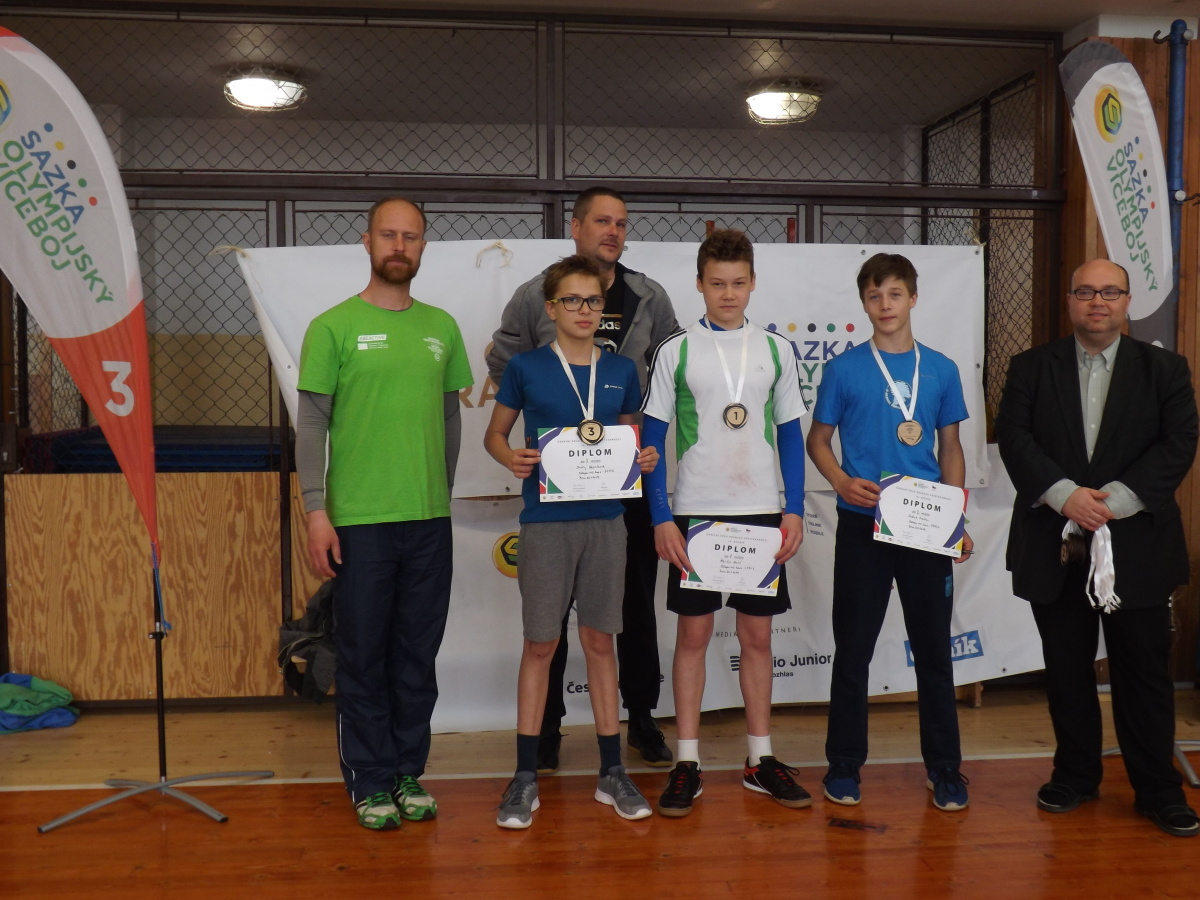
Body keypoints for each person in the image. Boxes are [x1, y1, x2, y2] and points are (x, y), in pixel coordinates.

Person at [995, 258, 1199, 838]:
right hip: (1055, 544)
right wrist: (1065, 497)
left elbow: (1180, 441)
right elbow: (1014, 438)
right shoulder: (1031, 368)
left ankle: (1158, 791)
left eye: (1110, 292)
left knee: (1144, 673)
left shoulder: (1164, 369)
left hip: (1138, 546)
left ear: (1127, 301)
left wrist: (1114, 502)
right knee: (1066, 669)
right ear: (1069, 301)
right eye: (1085, 291)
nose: (1098, 302)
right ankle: (1075, 775)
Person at [296, 197, 474, 831]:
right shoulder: (332, 327)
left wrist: (439, 490)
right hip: (359, 523)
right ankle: (369, 779)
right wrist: (315, 511)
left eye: (411, 236)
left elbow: (450, 416)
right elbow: (311, 424)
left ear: (423, 247)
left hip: (427, 521)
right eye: (389, 235)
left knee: (416, 655)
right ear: (367, 241)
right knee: (363, 656)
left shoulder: (441, 328)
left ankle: (405, 772)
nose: (400, 246)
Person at [487, 187, 679, 771]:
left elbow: (669, 370)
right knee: (549, 622)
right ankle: (546, 730)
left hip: (622, 475)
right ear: (575, 227)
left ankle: (640, 717)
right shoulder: (535, 294)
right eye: (601, 221)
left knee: (631, 604)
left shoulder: (649, 295)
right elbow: (506, 360)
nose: (612, 231)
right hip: (558, 484)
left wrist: (637, 445)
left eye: (621, 223)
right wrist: (548, 423)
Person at [641, 229, 810, 817]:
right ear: (699, 284)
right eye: (717, 283)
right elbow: (651, 440)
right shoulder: (675, 350)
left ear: (753, 282)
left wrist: (793, 508)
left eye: (738, 283)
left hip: (761, 513)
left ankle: (760, 759)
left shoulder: (777, 349)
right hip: (696, 513)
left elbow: (790, 435)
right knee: (692, 638)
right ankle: (687, 761)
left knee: (756, 639)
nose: (728, 293)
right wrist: (661, 516)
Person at [806, 252, 973, 812]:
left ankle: (944, 769)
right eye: (874, 295)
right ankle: (843, 765)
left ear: (913, 298)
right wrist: (840, 481)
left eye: (895, 294)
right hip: (864, 523)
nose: (885, 305)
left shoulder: (942, 369)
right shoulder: (844, 369)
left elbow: (951, 448)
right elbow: (817, 440)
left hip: (926, 527)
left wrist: (955, 518)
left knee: (934, 652)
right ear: (864, 302)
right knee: (853, 649)